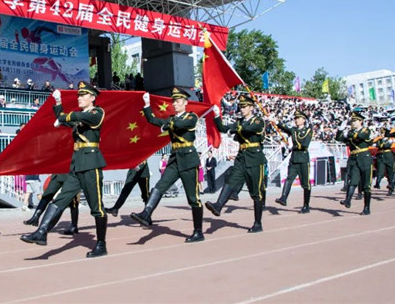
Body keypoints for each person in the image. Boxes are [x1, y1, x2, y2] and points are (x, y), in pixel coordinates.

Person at [21, 82, 108, 258]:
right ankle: (41, 232)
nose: (79, 98)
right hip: (77, 164)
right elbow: (64, 117)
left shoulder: (97, 113)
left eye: (83, 95)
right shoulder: (80, 117)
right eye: (78, 95)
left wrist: (63, 118)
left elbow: (72, 117)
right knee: (60, 200)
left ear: (92, 97)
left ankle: (101, 244)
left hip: (91, 164)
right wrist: (58, 102)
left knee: (97, 207)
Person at [129, 88, 204, 243]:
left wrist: (168, 124)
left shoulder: (191, 117)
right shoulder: (172, 119)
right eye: (173, 101)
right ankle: (146, 213)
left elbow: (180, 124)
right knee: (159, 186)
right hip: (174, 159)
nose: (175, 104)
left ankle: (198, 232)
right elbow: (153, 120)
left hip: (188, 160)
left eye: (178, 101)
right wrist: (147, 104)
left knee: (193, 198)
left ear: (185, 102)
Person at [206, 95, 266, 233]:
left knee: (256, 192)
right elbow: (222, 128)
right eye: (241, 107)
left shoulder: (258, 121)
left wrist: (234, 130)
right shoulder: (240, 122)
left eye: (244, 106)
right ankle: (218, 205)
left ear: (251, 107)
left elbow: (249, 129)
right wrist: (216, 115)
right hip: (241, 157)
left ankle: (258, 223)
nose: (242, 109)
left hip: (254, 158)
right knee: (231, 180)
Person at [273, 111, 313, 213]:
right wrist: (276, 122)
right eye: (295, 118)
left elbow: (305, 144)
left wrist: (293, 146)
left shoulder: (308, 130)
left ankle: (306, 205)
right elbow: (285, 128)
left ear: (303, 120)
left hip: (303, 159)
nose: (296, 120)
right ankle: (283, 197)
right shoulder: (294, 130)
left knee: (305, 184)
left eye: (298, 118)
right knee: (289, 178)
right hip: (294, 158)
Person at [335, 111, 373, 213]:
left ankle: (367, 207)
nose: (353, 123)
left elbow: (360, 136)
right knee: (353, 181)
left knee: (366, 185)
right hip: (354, 158)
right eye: (352, 121)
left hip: (364, 158)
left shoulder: (365, 130)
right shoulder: (351, 132)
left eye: (355, 121)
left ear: (360, 121)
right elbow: (338, 138)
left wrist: (348, 134)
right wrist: (341, 129)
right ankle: (348, 200)